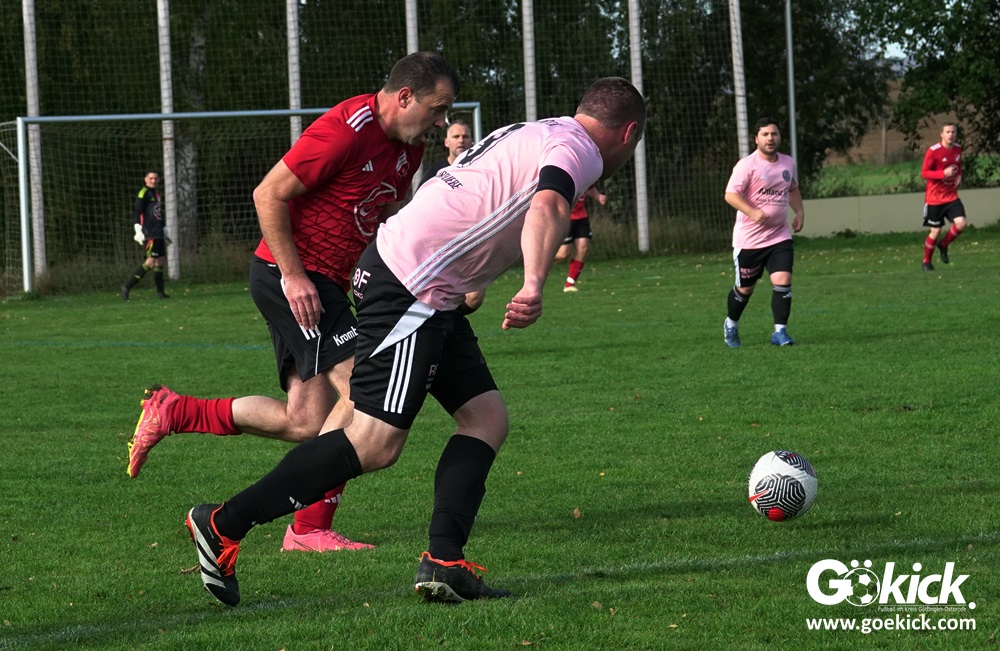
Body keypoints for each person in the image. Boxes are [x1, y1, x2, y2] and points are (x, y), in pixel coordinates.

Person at [182, 76, 646, 607]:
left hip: (429, 285)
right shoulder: (580, 149)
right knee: (374, 442)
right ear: (628, 133)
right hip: (413, 286)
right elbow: (547, 207)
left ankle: (445, 561)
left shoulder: (538, 129)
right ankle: (223, 523)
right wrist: (534, 283)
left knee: (486, 418)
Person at [128, 52, 461, 554]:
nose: (441, 122)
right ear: (405, 97)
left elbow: (390, 221)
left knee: (305, 420)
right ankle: (307, 527)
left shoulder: (408, 149)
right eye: (437, 109)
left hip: (327, 283)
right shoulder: (344, 131)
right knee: (364, 393)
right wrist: (294, 275)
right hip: (294, 279)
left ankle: (176, 411)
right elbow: (268, 194)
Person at [722, 117, 804, 348]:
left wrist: (799, 212)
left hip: (779, 235)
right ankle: (731, 324)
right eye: (765, 134)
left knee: (783, 279)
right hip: (749, 241)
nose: (770, 138)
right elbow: (730, 195)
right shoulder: (747, 165)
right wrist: (752, 212)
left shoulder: (787, 163)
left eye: (774, 134)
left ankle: (780, 332)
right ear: (756, 139)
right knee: (745, 289)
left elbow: (793, 188)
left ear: (779, 138)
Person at [921, 122, 967, 271]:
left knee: (961, 223)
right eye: (947, 132)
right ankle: (926, 261)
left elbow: (958, 164)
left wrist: (959, 174)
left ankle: (944, 244)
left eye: (953, 132)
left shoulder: (958, 148)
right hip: (935, 198)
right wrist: (943, 174)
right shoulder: (933, 151)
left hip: (951, 196)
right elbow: (924, 173)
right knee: (936, 231)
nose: (950, 134)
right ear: (942, 134)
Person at [120, 171, 169, 300]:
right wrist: (137, 228)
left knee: (160, 261)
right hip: (150, 233)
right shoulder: (143, 193)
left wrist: (164, 228)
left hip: (158, 232)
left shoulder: (156, 194)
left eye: (156, 178)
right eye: (151, 178)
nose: (153, 181)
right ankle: (127, 286)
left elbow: (158, 213)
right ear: (145, 179)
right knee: (150, 262)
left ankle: (160, 292)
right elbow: (137, 211)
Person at [555, 184, 606, 292]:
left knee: (583, 247)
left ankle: (570, 284)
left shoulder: (584, 174)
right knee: (563, 254)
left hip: (581, 216)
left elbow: (589, 187)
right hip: (564, 216)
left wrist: (598, 196)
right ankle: (539, 260)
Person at [417, 119, 473, 188]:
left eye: (465, 137)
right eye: (456, 137)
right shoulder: (435, 173)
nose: (461, 140)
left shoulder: (477, 171)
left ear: (471, 142)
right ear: (446, 142)